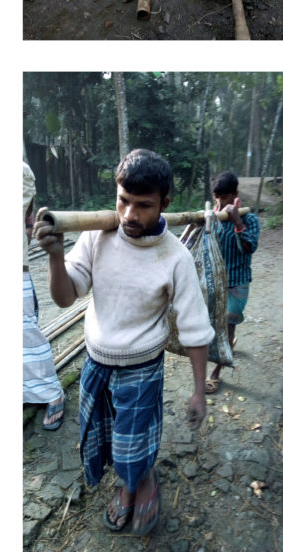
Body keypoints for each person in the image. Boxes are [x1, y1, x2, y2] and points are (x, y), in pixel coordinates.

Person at [33, 149, 213, 536]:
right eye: (123, 201)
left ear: (164, 203)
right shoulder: (96, 236)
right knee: (106, 438)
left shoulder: (175, 257)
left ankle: (139, 484)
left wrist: (199, 391)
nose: (129, 215)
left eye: (143, 205)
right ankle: (130, 480)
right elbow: (66, 297)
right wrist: (53, 256)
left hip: (142, 368)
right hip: (96, 361)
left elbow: (196, 329)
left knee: (135, 443)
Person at [205, 170, 260, 394]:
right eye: (216, 196)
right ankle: (229, 344)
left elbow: (250, 247)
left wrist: (237, 221)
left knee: (227, 324)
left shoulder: (250, 219)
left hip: (237, 282)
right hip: (216, 280)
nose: (220, 201)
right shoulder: (213, 217)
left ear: (235, 194)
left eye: (224, 196)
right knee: (214, 323)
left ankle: (217, 371)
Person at [23, 162, 64, 430]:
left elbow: (27, 219)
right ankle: (28, 390)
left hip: (18, 267)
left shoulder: (21, 173)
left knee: (26, 332)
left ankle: (52, 392)